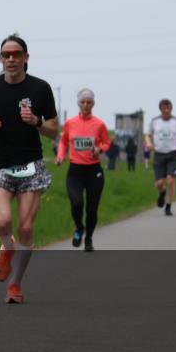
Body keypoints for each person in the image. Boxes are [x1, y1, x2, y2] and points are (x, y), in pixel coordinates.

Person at [0, 33, 58, 304]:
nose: (11, 59)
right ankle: (6, 248)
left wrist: (35, 121)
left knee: (26, 228)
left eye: (16, 54)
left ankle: (15, 284)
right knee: (2, 222)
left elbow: (54, 130)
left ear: (26, 58)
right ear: (1, 59)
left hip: (31, 167)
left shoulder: (40, 89)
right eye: (6, 55)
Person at [55, 89, 110, 252]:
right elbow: (63, 142)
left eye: (89, 102)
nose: (86, 105)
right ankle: (79, 227)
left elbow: (107, 143)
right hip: (75, 171)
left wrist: (99, 149)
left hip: (94, 171)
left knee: (92, 208)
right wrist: (60, 155)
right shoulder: (70, 123)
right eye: (83, 102)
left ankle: (89, 238)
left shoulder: (99, 124)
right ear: (78, 103)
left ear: (93, 104)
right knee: (76, 202)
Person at [145, 99, 176, 216]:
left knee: (170, 180)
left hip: (173, 154)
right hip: (159, 155)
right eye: (164, 108)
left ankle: (168, 206)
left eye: (168, 108)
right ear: (160, 109)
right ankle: (162, 192)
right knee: (159, 183)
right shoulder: (154, 121)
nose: (166, 111)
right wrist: (149, 143)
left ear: (171, 109)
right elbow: (147, 135)